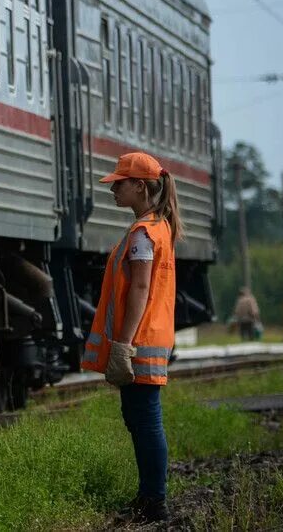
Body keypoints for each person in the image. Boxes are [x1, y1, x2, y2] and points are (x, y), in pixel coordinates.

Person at [81, 152, 182, 525]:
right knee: (140, 419)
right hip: (152, 339)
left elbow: (140, 288)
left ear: (139, 186)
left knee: (145, 420)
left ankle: (154, 501)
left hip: (139, 342)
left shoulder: (143, 233)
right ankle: (149, 495)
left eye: (119, 184)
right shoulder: (159, 227)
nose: (113, 189)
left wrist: (122, 345)